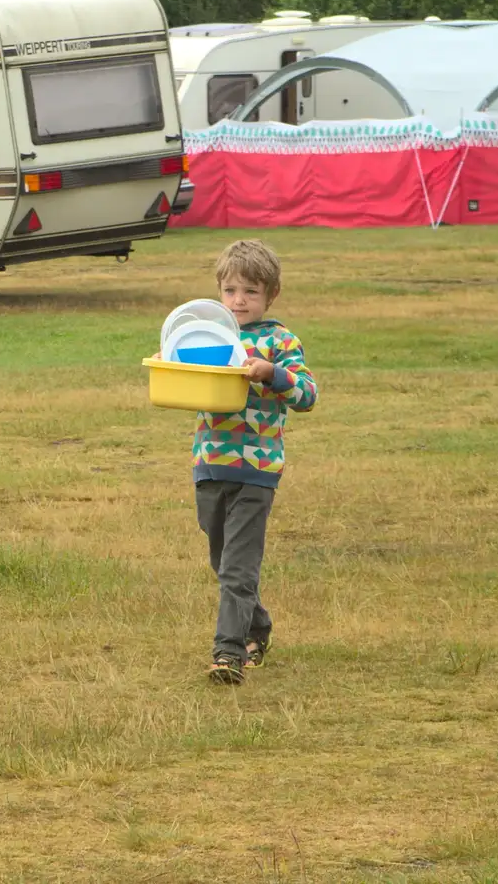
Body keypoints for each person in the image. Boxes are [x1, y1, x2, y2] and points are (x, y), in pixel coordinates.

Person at [192, 240, 318, 685]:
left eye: (250, 291)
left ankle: (228, 654)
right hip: (209, 466)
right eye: (230, 290)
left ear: (271, 295)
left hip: (256, 472)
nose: (239, 300)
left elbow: (307, 395)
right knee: (221, 558)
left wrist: (272, 373)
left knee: (238, 566)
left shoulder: (279, 340)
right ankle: (256, 627)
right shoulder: (209, 336)